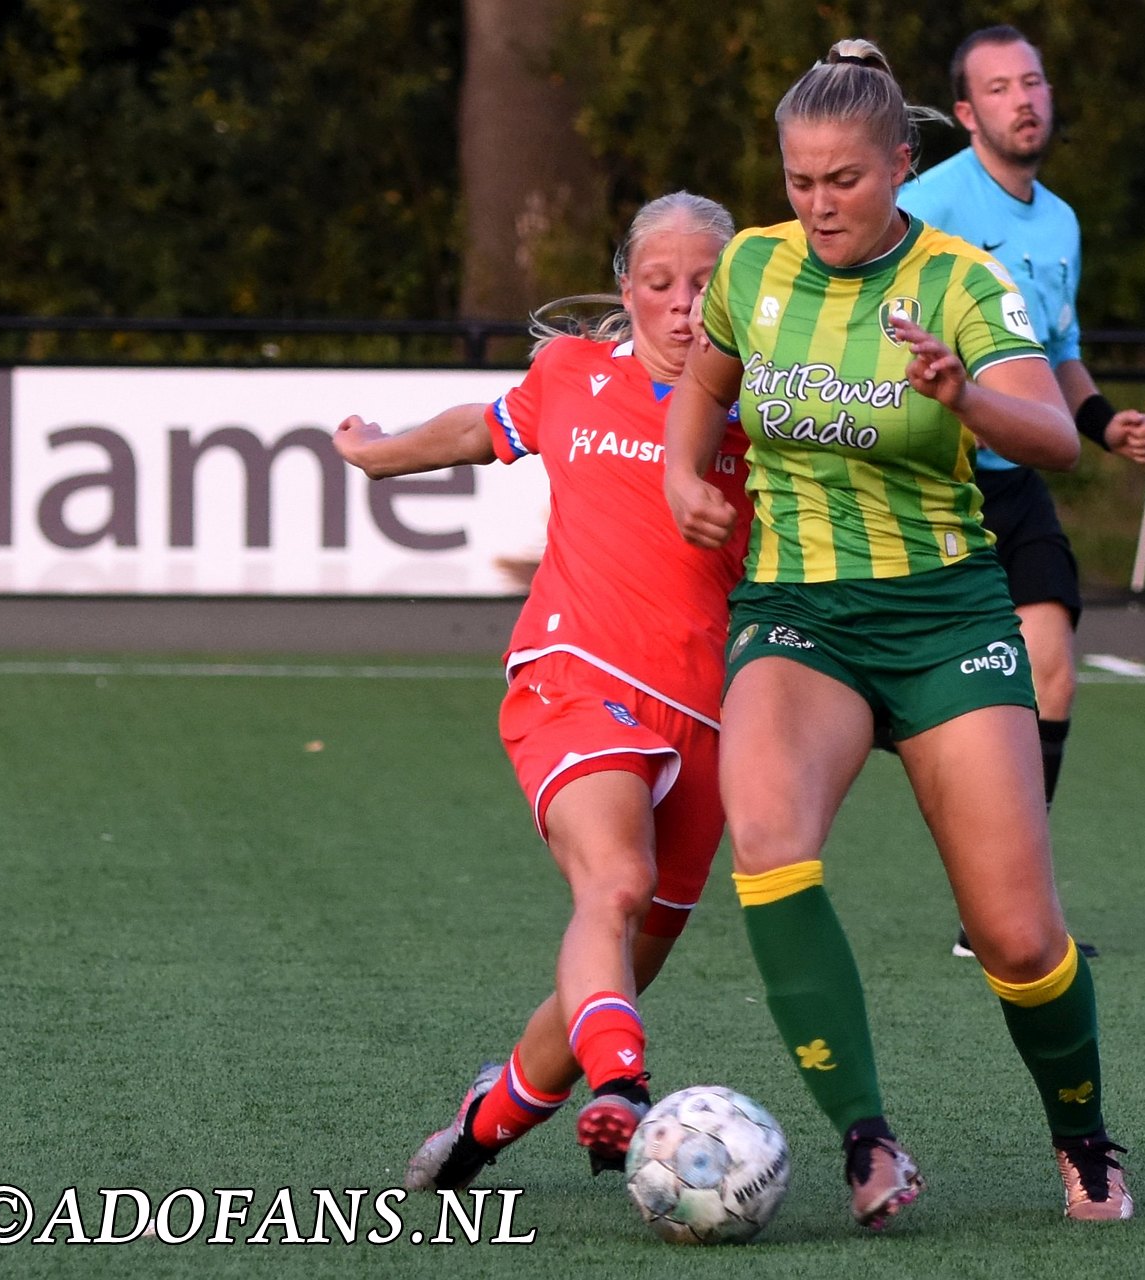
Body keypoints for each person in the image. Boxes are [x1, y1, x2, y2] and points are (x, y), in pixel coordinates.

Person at [663, 39, 1132, 1226]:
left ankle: (1083, 1137)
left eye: (846, 181)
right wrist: (680, 472)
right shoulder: (752, 270)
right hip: (798, 613)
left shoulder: (966, 280)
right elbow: (706, 384)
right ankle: (867, 1140)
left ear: (902, 165)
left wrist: (963, 394)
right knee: (765, 837)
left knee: (1017, 935)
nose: (819, 206)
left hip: (944, 617)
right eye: (801, 181)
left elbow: (1056, 440)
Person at [331, 192, 751, 1187]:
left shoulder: (771, 414)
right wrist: (377, 454)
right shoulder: (571, 373)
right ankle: (627, 1088)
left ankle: (487, 1121)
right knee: (613, 883)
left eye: (705, 285)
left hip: (710, 718)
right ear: (625, 290)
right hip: (575, 678)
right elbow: (482, 427)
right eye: (659, 285)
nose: (684, 307)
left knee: (609, 972)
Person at [897, 24, 1145, 959]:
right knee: (910, 706)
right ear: (967, 114)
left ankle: (998, 912)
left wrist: (1102, 422)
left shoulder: (1061, 222)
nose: (1025, 99)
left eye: (1034, 81)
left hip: (1014, 483)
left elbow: (1058, 356)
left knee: (1051, 666)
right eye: (1000, 87)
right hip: (931, 482)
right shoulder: (924, 205)